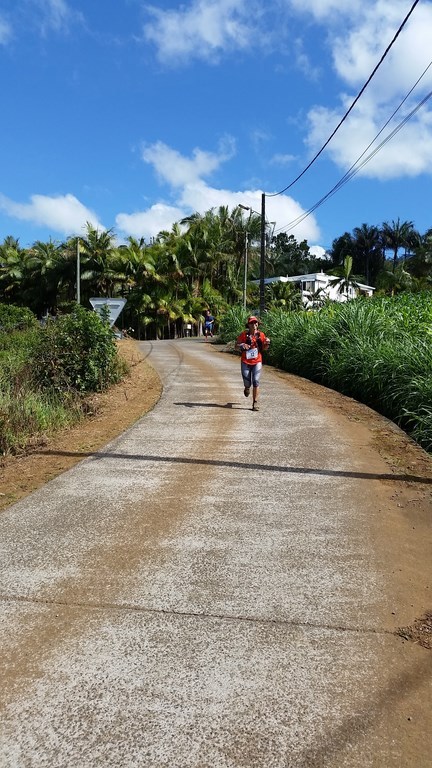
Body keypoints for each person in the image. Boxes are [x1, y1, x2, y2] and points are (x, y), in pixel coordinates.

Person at [235, 315, 270, 411]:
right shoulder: (243, 335)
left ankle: (255, 402)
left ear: (258, 324)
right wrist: (242, 345)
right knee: (247, 383)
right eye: (251, 323)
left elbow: (264, 348)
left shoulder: (261, 335)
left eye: (255, 322)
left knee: (256, 381)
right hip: (245, 361)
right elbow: (236, 346)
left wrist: (267, 344)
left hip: (257, 361)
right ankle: (247, 388)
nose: (254, 324)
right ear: (248, 325)